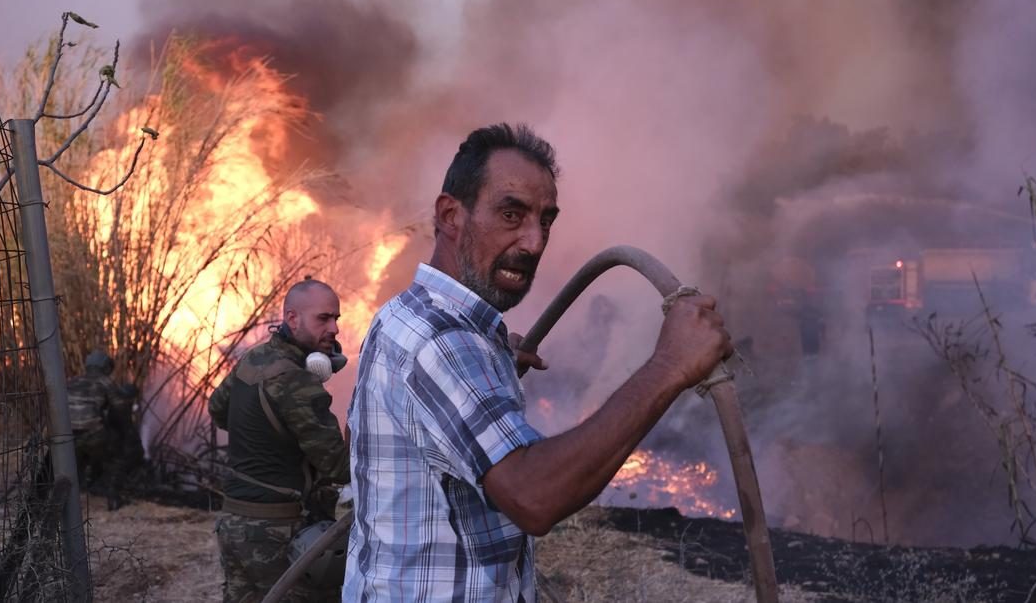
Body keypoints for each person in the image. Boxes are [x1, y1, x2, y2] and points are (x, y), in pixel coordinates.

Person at [345, 123, 733, 601]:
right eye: (512, 214)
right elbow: (534, 497)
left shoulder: (406, 315)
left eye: (545, 220)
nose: (534, 242)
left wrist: (494, 359)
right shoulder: (443, 343)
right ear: (451, 215)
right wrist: (669, 366)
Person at [209, 279, 351, 603]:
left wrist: (266, 438)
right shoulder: (298, 381)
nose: (334, 328)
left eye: (336, 319)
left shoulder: (253, 359)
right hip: (279, 532)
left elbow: (218, 411)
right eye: (323, 318)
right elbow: (340, 468)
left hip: (233, 524)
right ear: (292, 319)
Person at [67, 350, 138, 510]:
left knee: (75, 464)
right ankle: (113, 499)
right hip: (92, 434)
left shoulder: (72, 381)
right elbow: (119, 409)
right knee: (116, 457)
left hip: (67, 436)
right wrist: (127, 434)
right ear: (106, 367)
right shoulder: (105, 382)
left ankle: (73, 502)